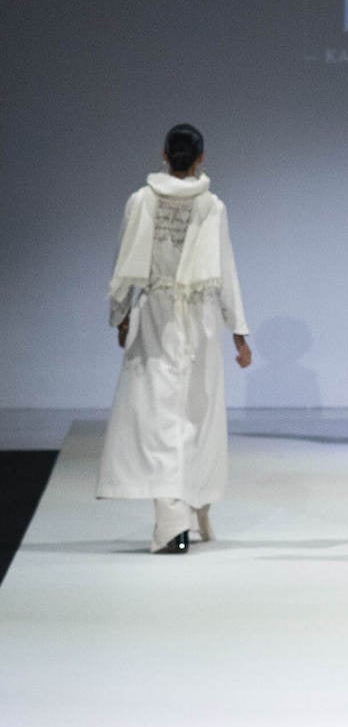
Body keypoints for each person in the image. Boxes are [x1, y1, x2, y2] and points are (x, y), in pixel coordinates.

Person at [97, 124, 251, 553]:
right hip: (200, 320)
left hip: (157, 316)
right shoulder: (212, 205)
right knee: (193, 415)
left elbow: (125, 264)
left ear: (164, 154)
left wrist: (120, 316)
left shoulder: (141, 200)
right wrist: (238, 331)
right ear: (201, 158)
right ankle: (182, 518)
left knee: (159, 417)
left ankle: (178, 520)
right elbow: (226, 271)